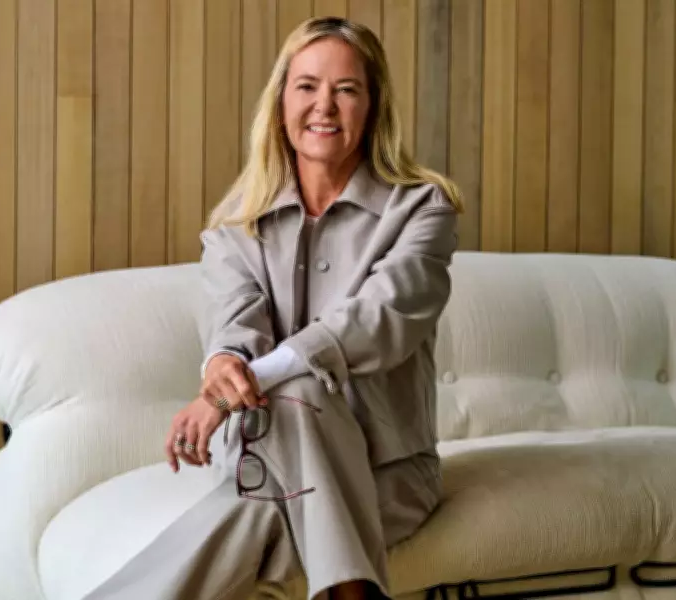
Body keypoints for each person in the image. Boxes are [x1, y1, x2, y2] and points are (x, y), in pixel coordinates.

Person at [85, 16, 463, 600]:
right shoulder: (236, 224)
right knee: (282, 437)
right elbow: (233, 325)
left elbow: (378, 321)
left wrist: (232, 391)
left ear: (373, 106)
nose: (324, 106)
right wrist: (223, 366)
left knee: (295, 401)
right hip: (264, 464)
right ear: (282, 101)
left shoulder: (422, 209)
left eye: (346, 89)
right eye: (307, 86)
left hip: (386, 474)